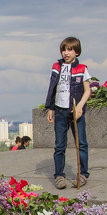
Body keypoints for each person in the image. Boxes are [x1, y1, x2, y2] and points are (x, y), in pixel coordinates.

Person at [44, 36, 92, 189]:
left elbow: (87, 91)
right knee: (59, 145)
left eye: (70, 50)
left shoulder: (82, 68)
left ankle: (83, 174)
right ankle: (59, 175)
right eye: (64, 49)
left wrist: (80, 107)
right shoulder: (56, 66)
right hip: (60, 110)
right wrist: (50, 107)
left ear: (77, 52)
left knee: (81, 143)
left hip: (75, 111)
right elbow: (52, 88)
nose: (66, 53)